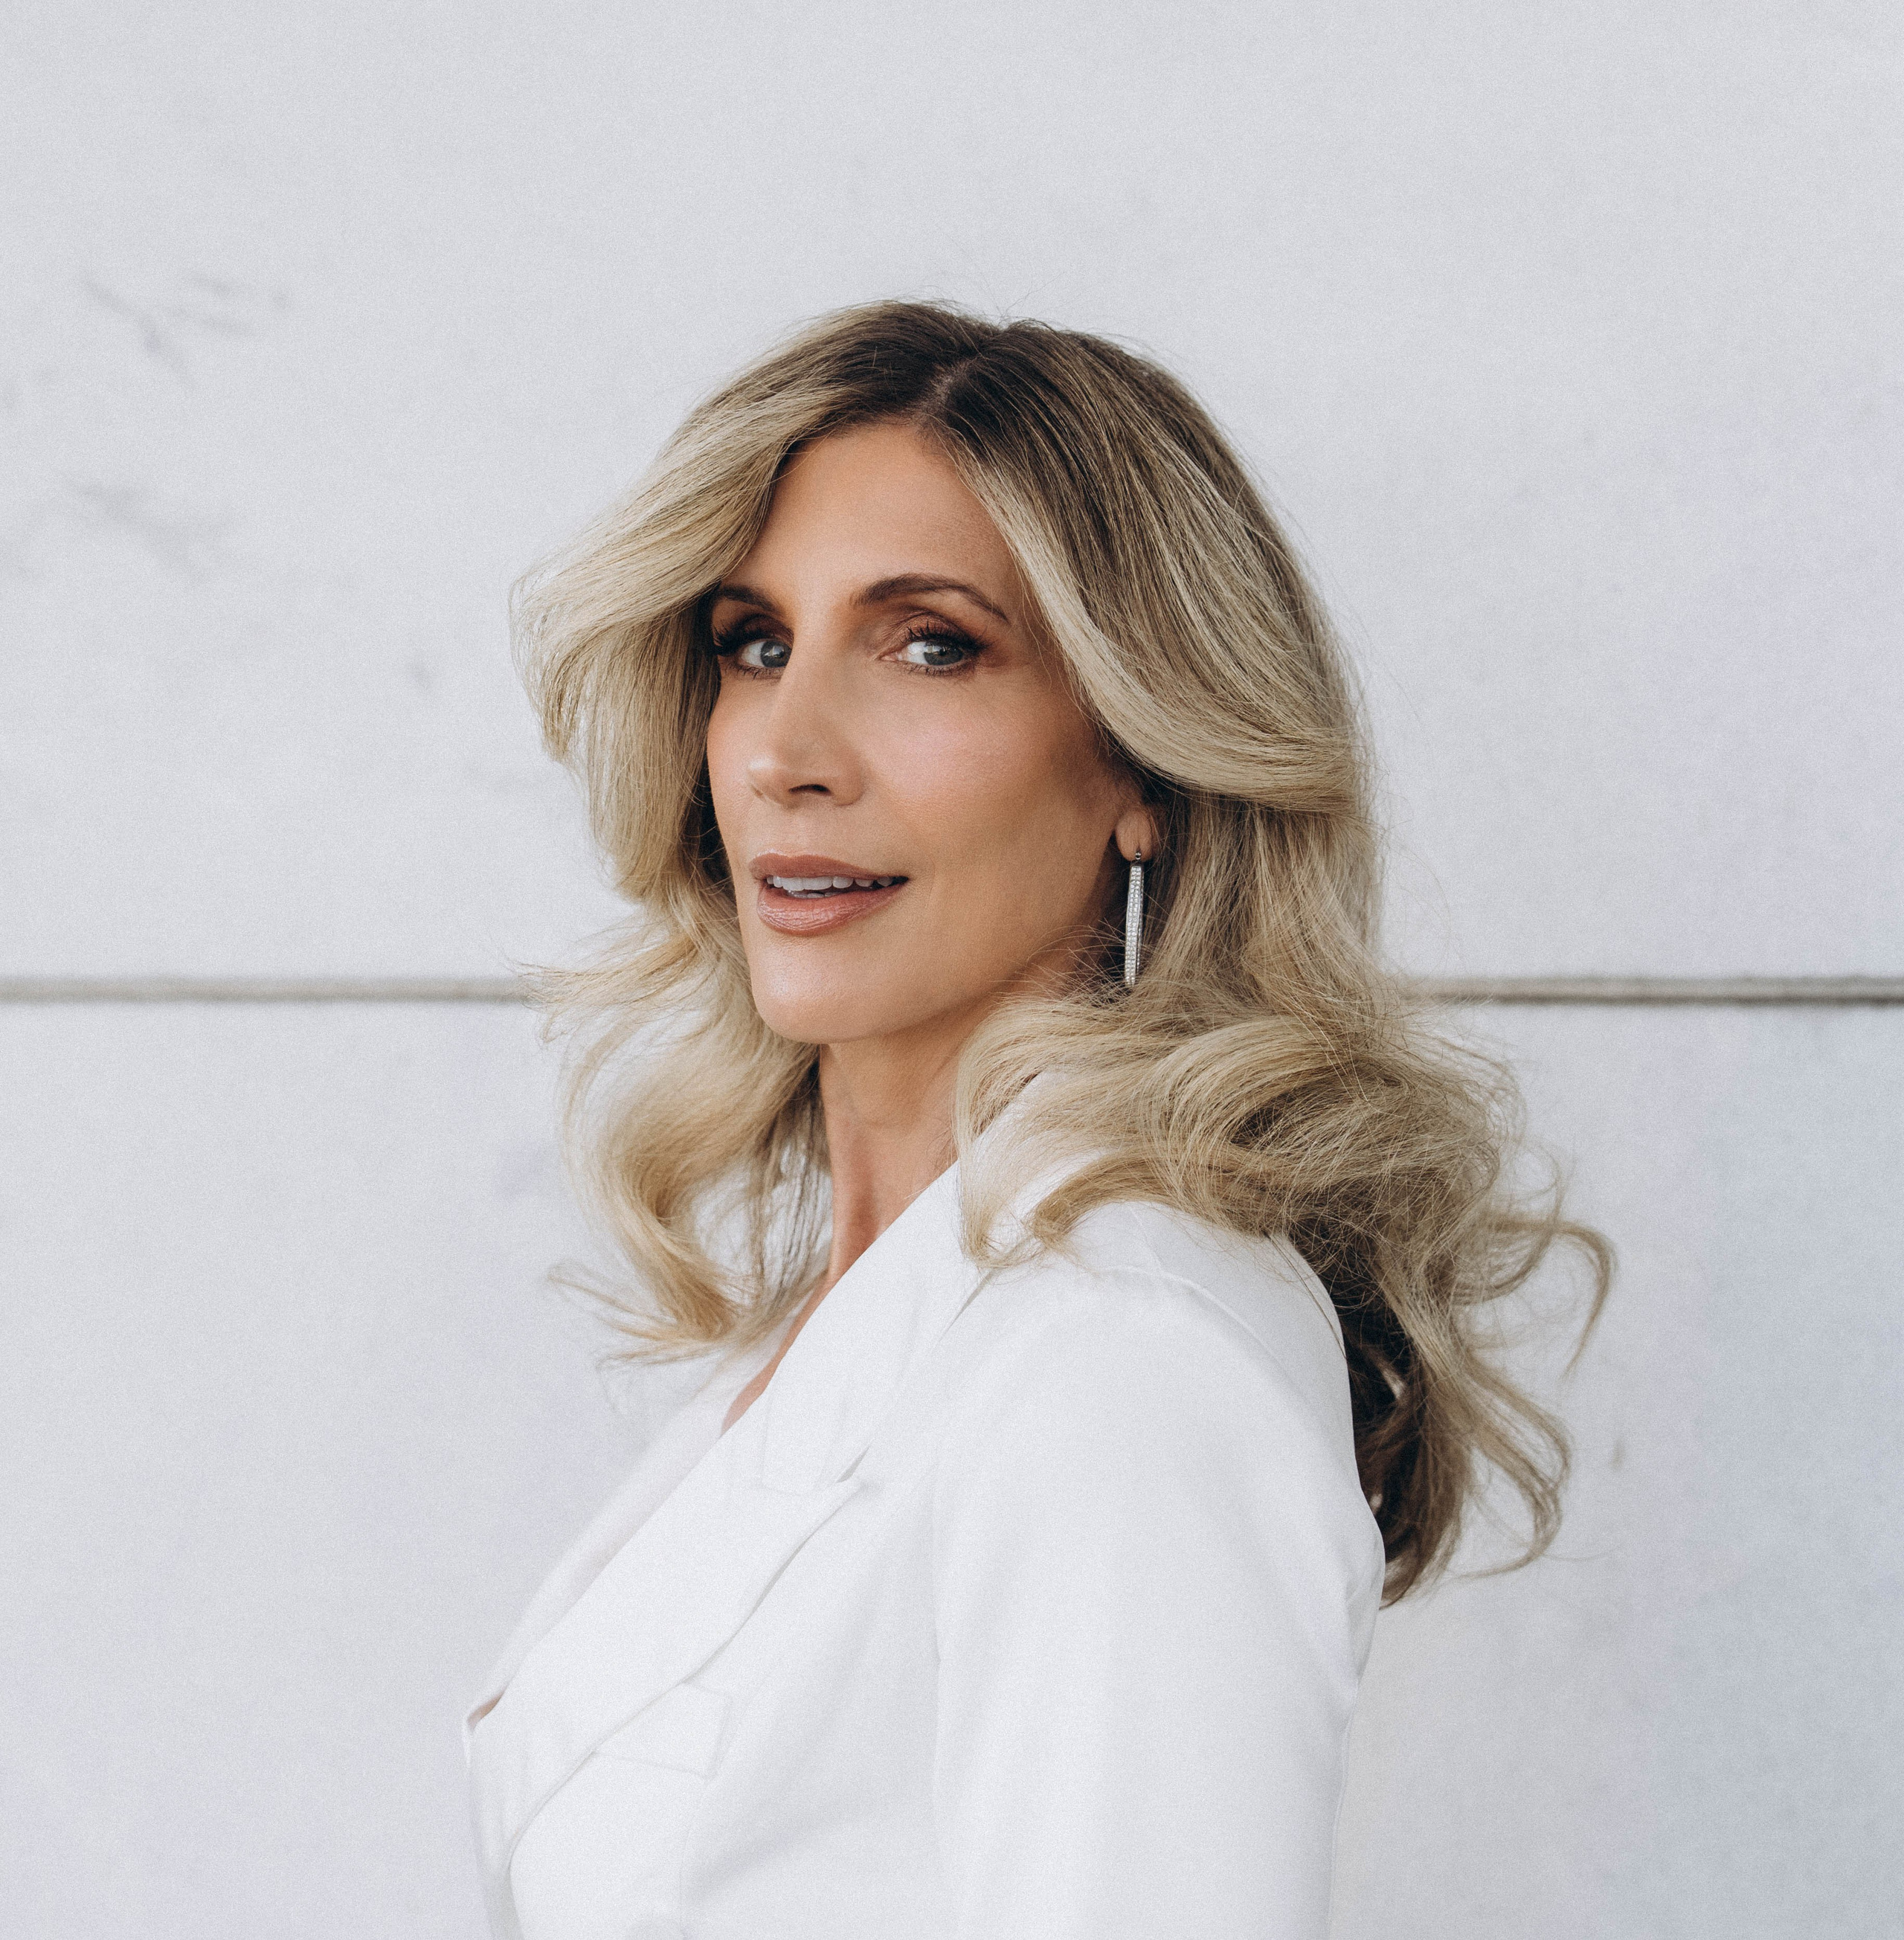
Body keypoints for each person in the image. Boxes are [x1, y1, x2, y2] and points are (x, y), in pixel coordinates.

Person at [463, 301, 1607, 1940]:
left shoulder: (1120, 1355)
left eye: (931, 643)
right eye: (750, 641)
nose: (785, 748)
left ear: (1140, 752)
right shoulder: (870, 1318)